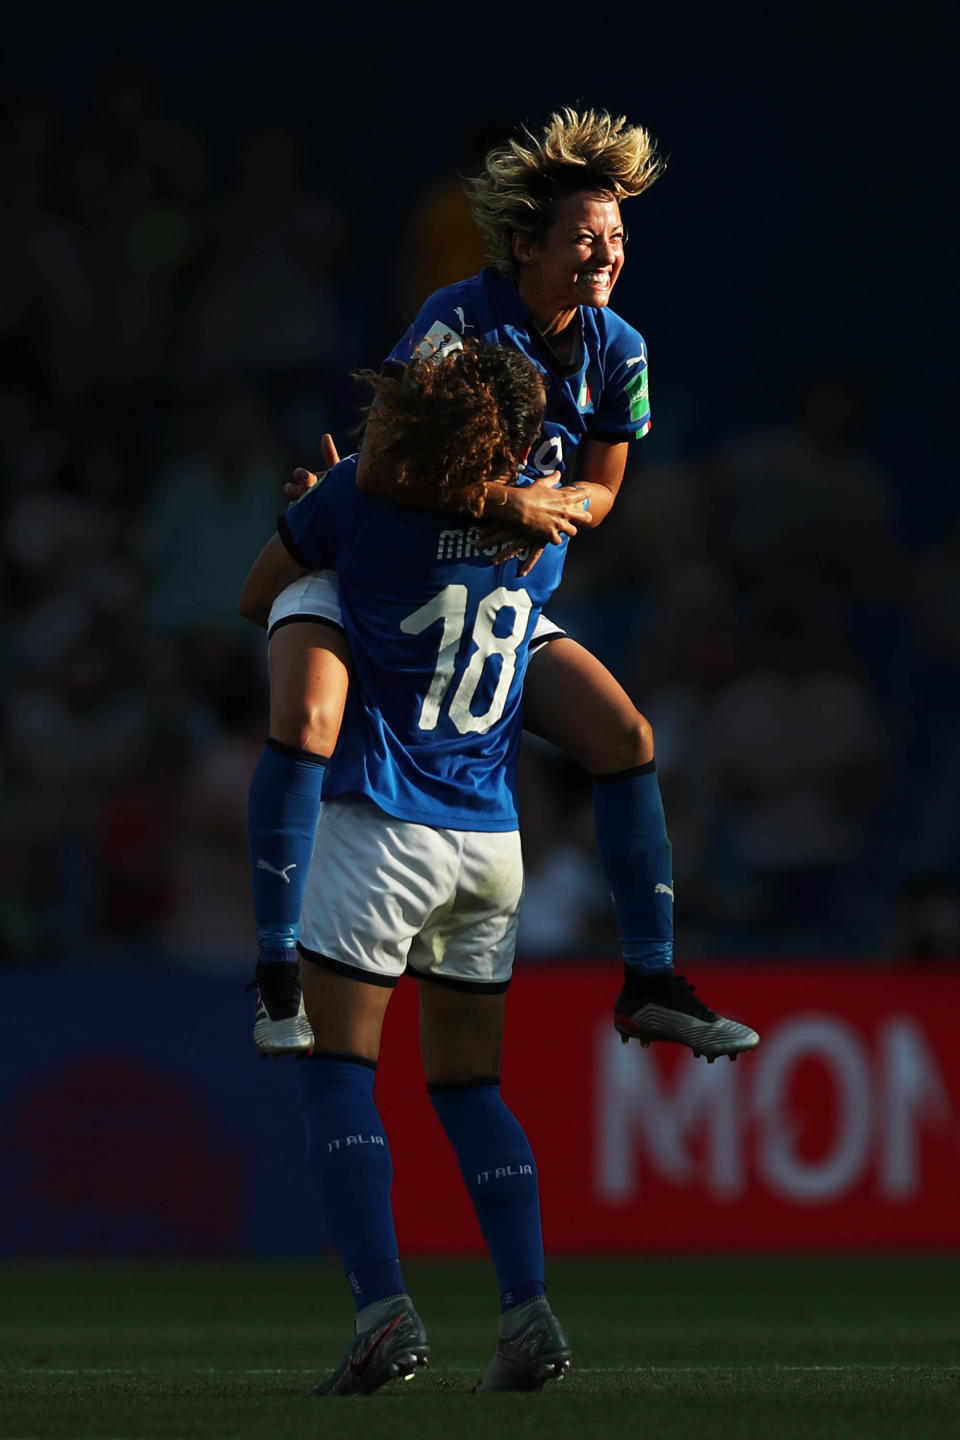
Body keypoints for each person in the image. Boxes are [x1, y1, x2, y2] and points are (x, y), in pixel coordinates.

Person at [247, 106, 759, 1064]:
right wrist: (507, 503)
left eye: (616, 237)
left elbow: (604, 485)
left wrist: (567, 509)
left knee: (626, 737)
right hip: (402, 587)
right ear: (526, 242)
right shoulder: (457, 318)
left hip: (502, 606)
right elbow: (387, 467)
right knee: (305, 720)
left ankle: (650, 980)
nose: (606, 253)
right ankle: (278, 962)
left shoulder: (623, 350)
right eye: (584, 236)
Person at [239, 342, 574, 1394]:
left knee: (338, 1072)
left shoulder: (356, 498)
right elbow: (468, 523)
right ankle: (528, 1314)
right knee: (471, 1086)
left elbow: (263, 596)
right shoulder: (544, 537)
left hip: (385, 822)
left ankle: (384, 1311)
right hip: (491, 838)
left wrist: (319, 518)